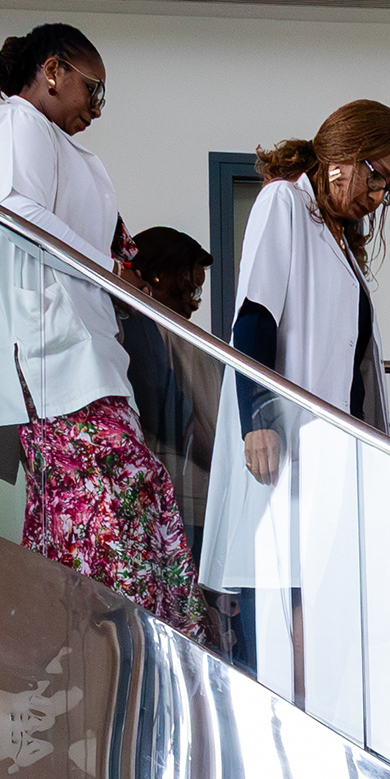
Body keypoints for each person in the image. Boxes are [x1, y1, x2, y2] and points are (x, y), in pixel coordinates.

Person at [0, 23, 204, 637]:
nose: (96, 108)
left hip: (84, 352)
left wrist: (114, 271)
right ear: (52, 70)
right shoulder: (16, 123)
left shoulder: (62, 146)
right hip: (52, 355)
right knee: (116, 509)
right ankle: (119, 653)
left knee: (87, 519)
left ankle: (79, 661)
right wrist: (110, 273)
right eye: (91, 89)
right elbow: (17, 209)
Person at [196, 101, 390, 671]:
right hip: (282, 445)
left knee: (320, 620)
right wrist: (256, 422)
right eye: (378, 177)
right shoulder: (284, 202)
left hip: (331, 457)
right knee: (289, 619)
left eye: (388, 188)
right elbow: (254, 318)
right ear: (345, 155)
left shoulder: (338, 237)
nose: (377, 197)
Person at [112, 226, 220, 613]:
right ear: (157, 276)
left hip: (198, 501)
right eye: (189, 288)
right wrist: (226, 464)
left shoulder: (181, 336)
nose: (193, 303)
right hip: (182, 501)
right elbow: (166, 416)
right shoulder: (152, 332)